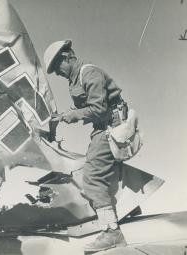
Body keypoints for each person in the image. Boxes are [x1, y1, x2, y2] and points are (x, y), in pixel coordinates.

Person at [44, 40, 127, 252]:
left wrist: (72, 115)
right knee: (97, 175)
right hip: (104, 127)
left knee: (91, 178)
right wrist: (63, 116)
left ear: (66, 57)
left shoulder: (88, 73)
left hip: (111, 126)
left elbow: (98, 109)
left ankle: (112, 233)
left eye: (57, 68)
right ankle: (112, 225)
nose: (58, 74)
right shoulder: (77, 77)